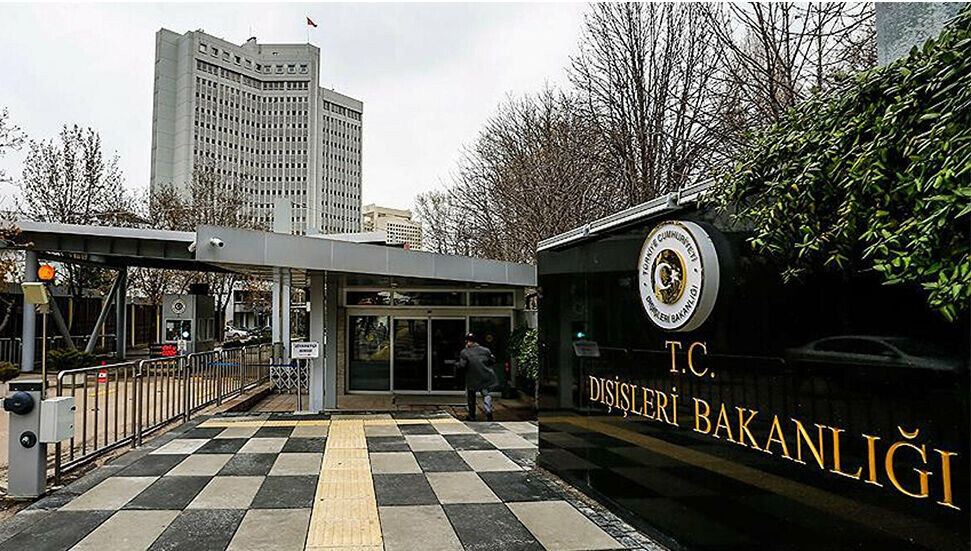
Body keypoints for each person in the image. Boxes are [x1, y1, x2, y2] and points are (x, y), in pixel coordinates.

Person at [457, 332, 498, 421]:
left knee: (471, 397)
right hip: (485, 376)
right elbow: (492, 360)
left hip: (472, 377)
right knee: (486, 394)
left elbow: (462, 365)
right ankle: (488, 410)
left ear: (467, 342)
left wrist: (456, 365)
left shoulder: (465, 352)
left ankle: (472, 416)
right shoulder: (485, 350)